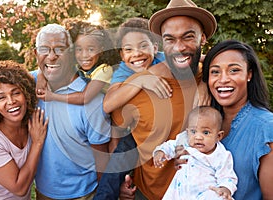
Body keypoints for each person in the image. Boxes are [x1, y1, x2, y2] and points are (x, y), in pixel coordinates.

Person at [0, 23, 112, 199]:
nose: (52, 56)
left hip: (84, 194)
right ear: (36, 53)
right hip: (43, 194)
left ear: (70, 53)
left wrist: (106, 194)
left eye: (60, 49)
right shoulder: (26, 85)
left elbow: (102, 157)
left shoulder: (91, 100)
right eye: (44, 49)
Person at [114, 0, 217, 199]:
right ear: (163, 42)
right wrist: (120, 180)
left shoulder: (217, 84)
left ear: (202, 38)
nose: (179, 47)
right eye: (170, 39)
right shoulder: (139, 86)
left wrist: (204, 82)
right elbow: (116, 134)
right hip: (147, 192)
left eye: (188, 37)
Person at [94, 17, 171, 200]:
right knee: (119, 160)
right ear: (121, 55)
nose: (136, 54)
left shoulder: (164, 59)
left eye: (143, 46)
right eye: (128, 50)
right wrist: (140, 80)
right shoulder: (124, 71)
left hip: (166, 132)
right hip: (135, 133)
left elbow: (191, 58)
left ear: (155, 47)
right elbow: (108, 104)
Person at [201, 39, 273, 199]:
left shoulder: (267, 128)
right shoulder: (204, 121)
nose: (223, 79)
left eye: (234, 70)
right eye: (215, 72)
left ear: (249, 74)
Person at [0, 60, 48, 199]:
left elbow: (49, 68)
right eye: (1, 97)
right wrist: (37, 143)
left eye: (16, 93)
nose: (11, 101)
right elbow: (19, 188)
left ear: (26, 94)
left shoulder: (30, 122)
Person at [153, 106, 237, 200]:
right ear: (187, 131)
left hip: (204, 194)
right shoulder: (184, 141)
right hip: (179, 191)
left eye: (205, 132)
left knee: (217, 196)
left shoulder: (221, 155)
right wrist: (161, 152)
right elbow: (170, 146)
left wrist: (225, 189)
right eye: (193, 131)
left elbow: (227, 177)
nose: (198, 137)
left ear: (218, 136)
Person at [36, 19, 120, 105]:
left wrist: (53, 96)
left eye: (91, 49)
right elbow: (49, 64)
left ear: (101, 50)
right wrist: (40, 76)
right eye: (79, 49)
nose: (84, 55)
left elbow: (84, 98)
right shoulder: (78, 66)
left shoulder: (104, 70)